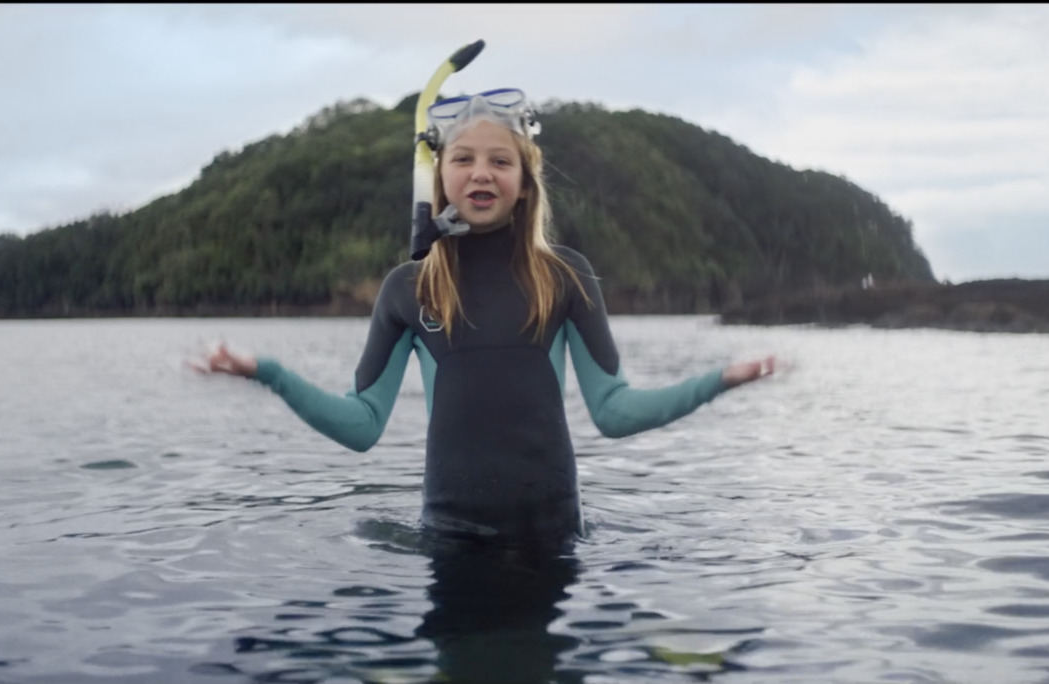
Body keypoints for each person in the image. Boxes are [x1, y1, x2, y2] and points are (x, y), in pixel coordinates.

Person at [196, 88, 775, 547]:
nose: (481, 173)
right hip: (450, 539)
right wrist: (267, 373)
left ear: (524, 185)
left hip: (552, 538)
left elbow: (615, 412)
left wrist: (717, 382)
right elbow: (362, 425)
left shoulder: (565, 276)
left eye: (501, 161)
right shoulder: (408, 288)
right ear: (439, 177)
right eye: (464, 159)